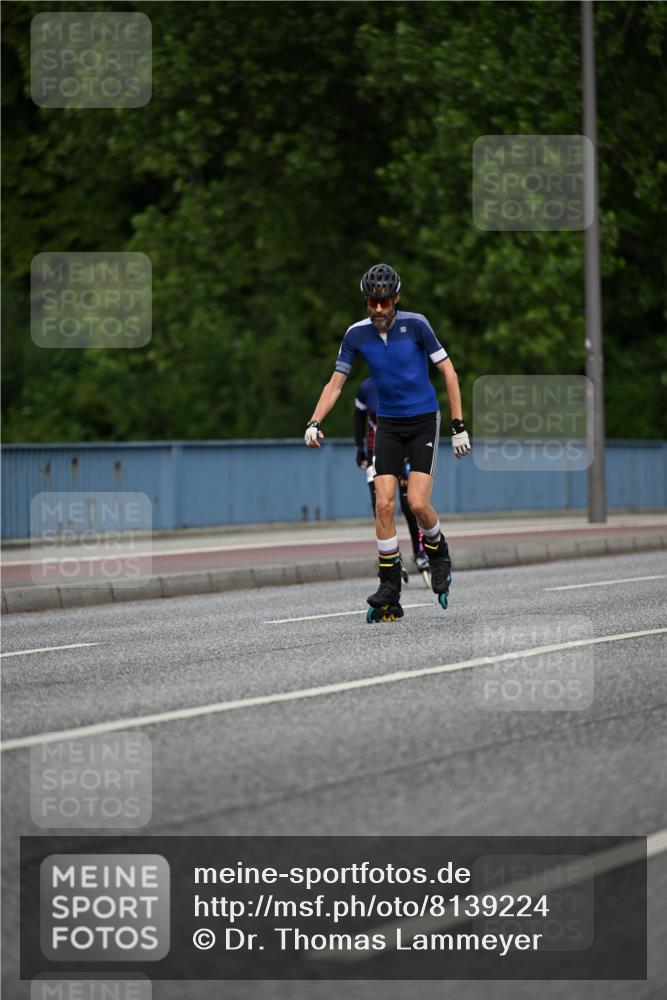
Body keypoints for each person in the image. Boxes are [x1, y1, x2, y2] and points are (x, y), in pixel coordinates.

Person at [305, 262, 470, 619]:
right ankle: (389, 584)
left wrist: (459, 426)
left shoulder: (417, 325)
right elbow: (336, 383)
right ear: (366, 301)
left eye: (384, 302)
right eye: (372, 302)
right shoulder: (356, 334)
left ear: (396, 298)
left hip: (424, 421)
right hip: (389, 426)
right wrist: (315, 420)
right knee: (383, 504)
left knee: (418, 503)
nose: (378, 309)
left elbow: (449, 373)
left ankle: (438, 552)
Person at [354, 375, 429, 575]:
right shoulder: (366, 387)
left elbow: (414, 422)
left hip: (403, 451)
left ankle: (421, 553)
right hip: (375, 452)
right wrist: (359, 449)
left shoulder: (402, 383)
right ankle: (392, 555)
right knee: (380, 506)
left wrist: (409, 456)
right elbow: (358, 418)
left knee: (409, 505)